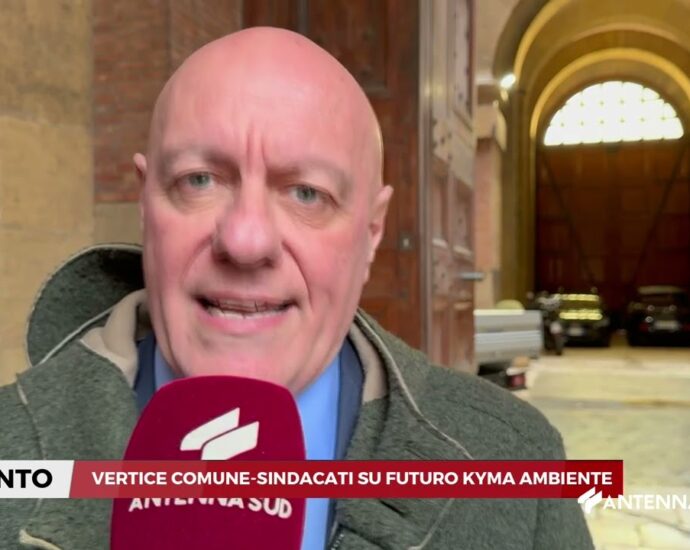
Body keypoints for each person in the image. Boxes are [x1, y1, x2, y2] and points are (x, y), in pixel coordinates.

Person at [0, 27, 593, 549]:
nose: (246, 240)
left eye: (307, 193)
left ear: (371, 232)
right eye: (199, 180)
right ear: (144, 202)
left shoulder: (517, 463)